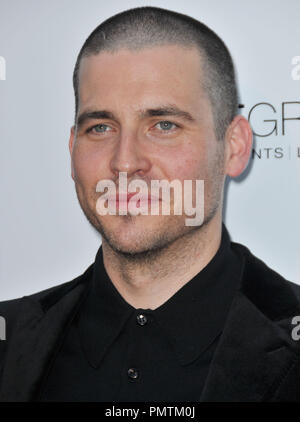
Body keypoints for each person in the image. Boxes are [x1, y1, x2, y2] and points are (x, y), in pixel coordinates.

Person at [1, 6, 300, 402]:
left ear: (234, 147)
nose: (125, 162)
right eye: (101, 127)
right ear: (72, 149)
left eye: (164, 125)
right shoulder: (9, 339)